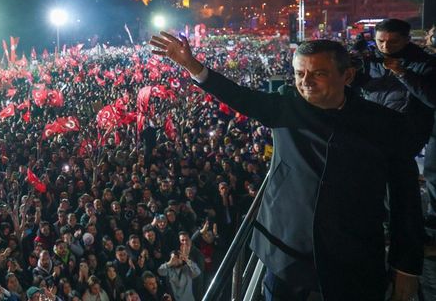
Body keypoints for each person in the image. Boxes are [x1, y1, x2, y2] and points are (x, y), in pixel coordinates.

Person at [149, 33, 423, 301]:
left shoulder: (386, 125)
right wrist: (191, 65)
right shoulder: (286, 107)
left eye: (319, 74)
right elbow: (238, 96)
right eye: (299, 73)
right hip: (285, 253)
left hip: (352, 257)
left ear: (347, 76)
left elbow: (406, 199)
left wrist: (406, 266)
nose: (306, 83)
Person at [355, 19, 436, 221]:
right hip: (373, 128)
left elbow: (431, 99)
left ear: (407, 40)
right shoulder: (370, 60)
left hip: (405, 133)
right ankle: (383, 222)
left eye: (393, 42)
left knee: (399, 185)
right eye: (381, 41)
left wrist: (402, 73)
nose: (385, 47)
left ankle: (409, 228)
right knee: (373, 182)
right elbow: (361, 88)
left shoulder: (423, 62)